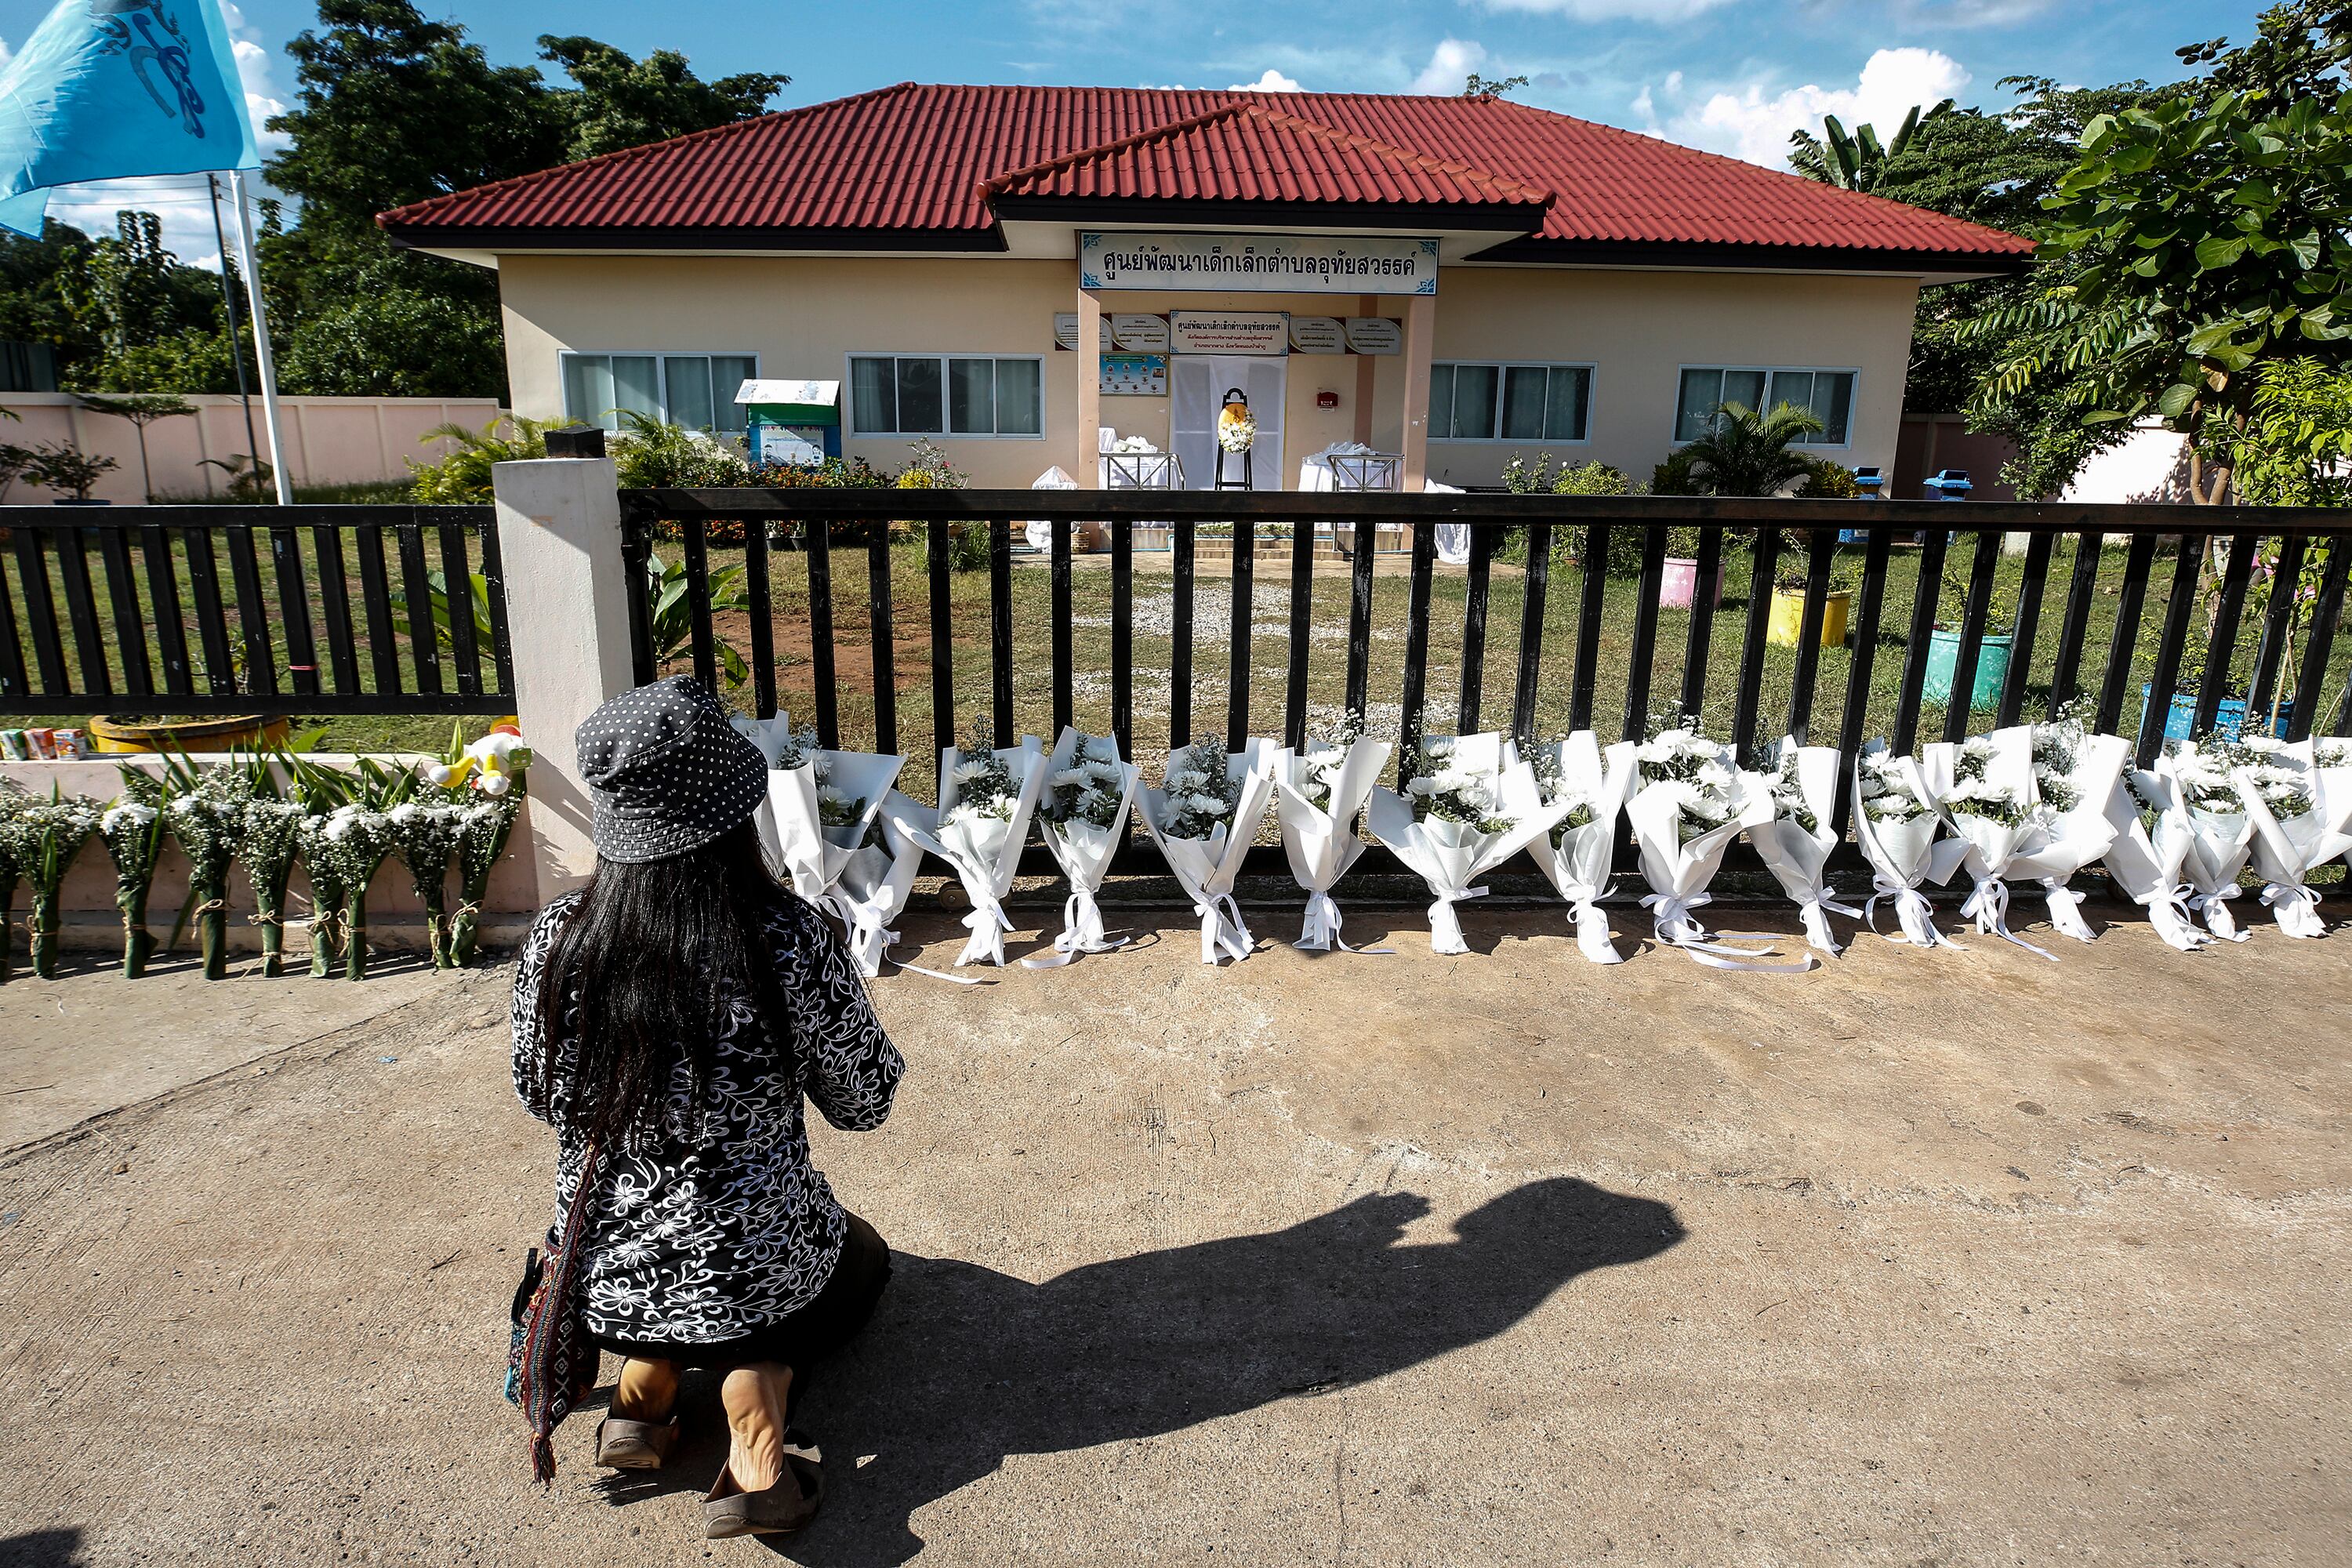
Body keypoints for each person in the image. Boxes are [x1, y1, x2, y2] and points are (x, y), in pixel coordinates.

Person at [510, 676, 904, 1540]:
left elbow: (540, 1093)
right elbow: (865, 1099)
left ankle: (645, 1387)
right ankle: (757, 1413)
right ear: (731, 809)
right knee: (862, 1259)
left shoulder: (558, 939)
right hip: (757, 1281)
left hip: (607, 1287)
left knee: (687, 1296)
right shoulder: (790, 937)